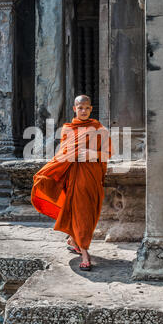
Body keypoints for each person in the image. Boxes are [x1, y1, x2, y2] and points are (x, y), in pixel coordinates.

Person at [31, 95, 113, 271]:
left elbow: (106, 155)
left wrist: (90, 154)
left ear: (91, 109)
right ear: (74, 109)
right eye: (80, 108)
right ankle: (85, 253)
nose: (83, 111)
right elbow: (63, 155)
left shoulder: (101, 130)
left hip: (91, 178)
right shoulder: (68, 129)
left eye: (86, 108)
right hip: (73, 177)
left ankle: (74, 240)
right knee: (80, 213)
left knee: (87, 214)